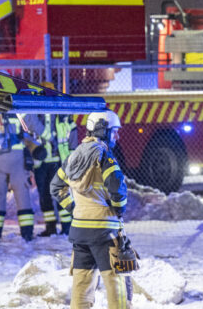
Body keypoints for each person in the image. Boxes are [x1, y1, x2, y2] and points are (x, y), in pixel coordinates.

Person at [51, 110, 131, 309]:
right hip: (105, 232)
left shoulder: (73, 157)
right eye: (114, 132)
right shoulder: (105, 156)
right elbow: (117, 189)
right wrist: (118, 210)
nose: (117, 136)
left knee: (82, 286)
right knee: (116, 283)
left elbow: (56, 187)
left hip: (79, 232)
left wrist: (75, 208)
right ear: (103, 131)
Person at [0, 106, 36, 242]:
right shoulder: (16, 105)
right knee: (22, 193)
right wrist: (46, 137)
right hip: (16, 155)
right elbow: (32, 124)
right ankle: (27, 234)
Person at [25, 82, 76, 237]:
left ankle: (66, 227)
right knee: (45, 195)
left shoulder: (61, 112)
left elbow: (72, 132)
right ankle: (52, 227)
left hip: (56, 160)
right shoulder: (36, 110)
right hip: (42, 161)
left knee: (59, 194)